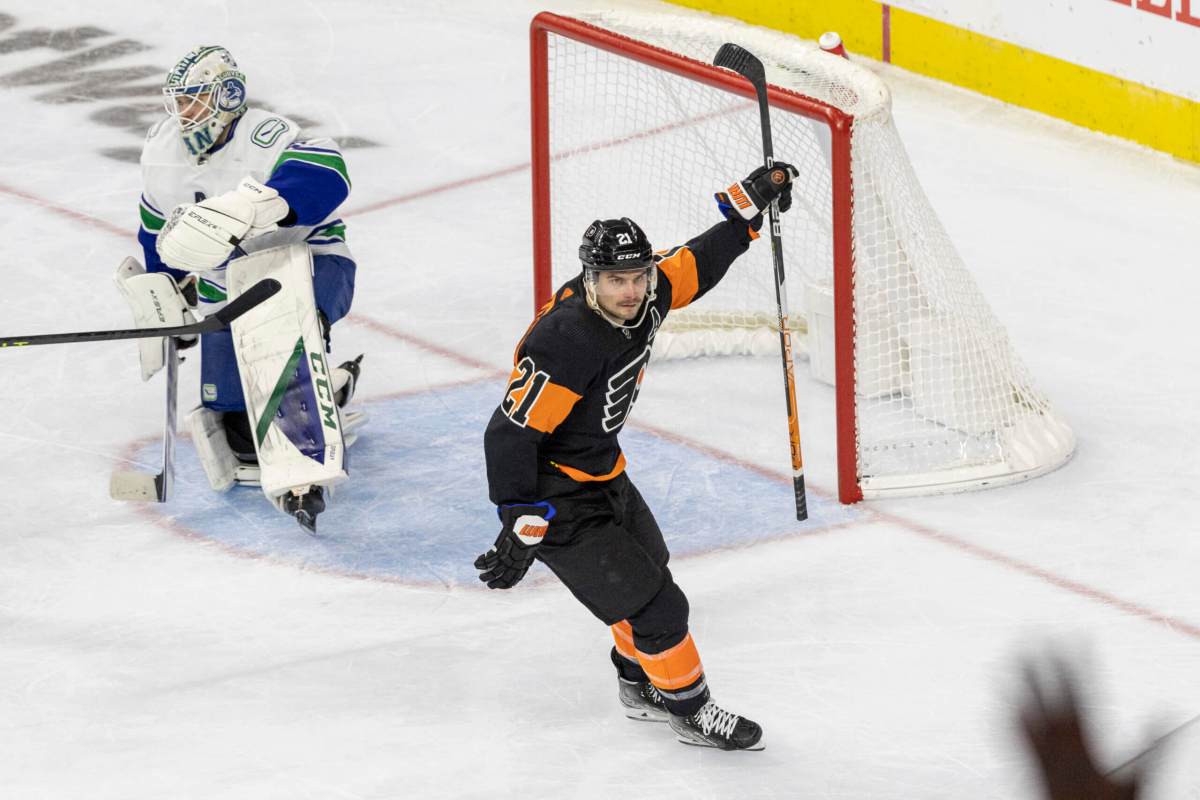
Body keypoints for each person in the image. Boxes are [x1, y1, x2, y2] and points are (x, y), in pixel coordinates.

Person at [475, 162, 798, 750]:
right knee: (661, 609)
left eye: (637, 276)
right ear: (590, 279)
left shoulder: (648, 296)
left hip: (605, 472)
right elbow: (509, 434)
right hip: (556, 496)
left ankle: (640, 683)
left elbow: (696, 263)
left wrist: (749, 213)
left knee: (650, 574)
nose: (629, 290)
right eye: (614, 280)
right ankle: (692, 712)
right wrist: (519, 516)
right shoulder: (567, 340)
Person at [133, 45, 363, 532]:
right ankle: (334, 385)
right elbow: (156, 230)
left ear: (228, 96)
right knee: (234, 423)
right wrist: (169, 295)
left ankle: (314, 407)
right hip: (227, 286)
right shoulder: (162, 148)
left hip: (308, 263)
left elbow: (329, 175)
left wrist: (260, 206)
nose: (182, 113)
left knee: (287, 338)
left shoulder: (264, 135)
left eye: (194, 100)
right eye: (177, 101)